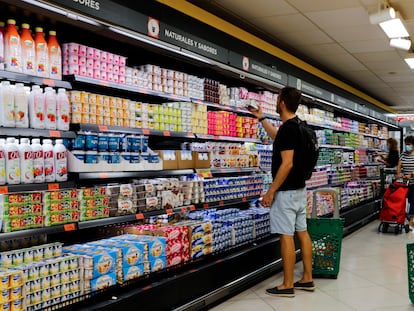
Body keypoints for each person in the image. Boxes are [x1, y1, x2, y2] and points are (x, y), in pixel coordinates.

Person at [250, 86, 315, 298]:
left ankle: (287, 284)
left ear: (283, 103)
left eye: (278, 99)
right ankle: (307, 278)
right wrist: (261, 119)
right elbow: (278, 138)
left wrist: (270, 192)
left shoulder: (289, 128)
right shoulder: (300, 126)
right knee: (302, 233)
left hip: (286, 192)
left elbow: (286, 164)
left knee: (286, 236)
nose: (276, 102)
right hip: (299, 190)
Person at [397, 135, 414, 228]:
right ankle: (402, 216)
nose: (407, 146)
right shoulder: (403, 154)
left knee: (413, 201)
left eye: (409, 144)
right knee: (401, 200)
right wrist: (398, 173)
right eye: (406, 144)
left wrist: (411, 174)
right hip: (405, 182)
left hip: (413, 181)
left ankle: (411, 221)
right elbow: (399, 165)